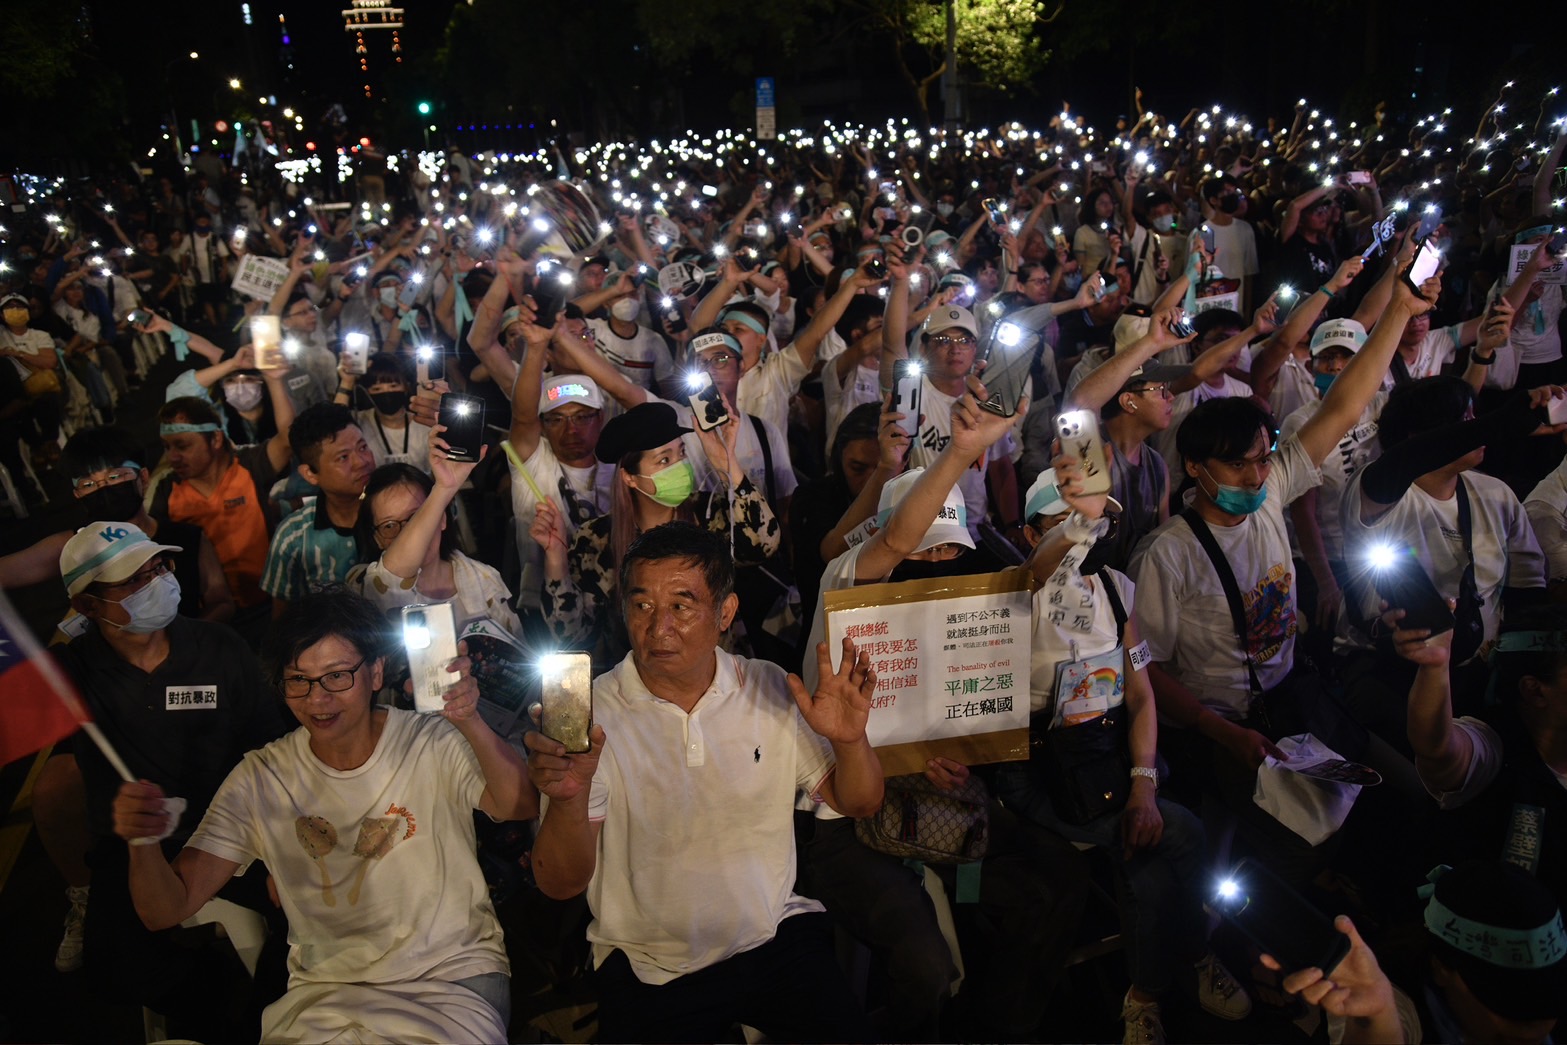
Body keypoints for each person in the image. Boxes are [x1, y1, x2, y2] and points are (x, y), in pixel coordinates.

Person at [111, 588, 535, 1043]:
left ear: (375, 673)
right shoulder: (263, 777)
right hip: (324, 995)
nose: (317, 699)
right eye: (299, 680)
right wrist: (142, 843)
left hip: (450, 981)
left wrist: (468, 719)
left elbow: (518, 804)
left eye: (336, 676)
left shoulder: (430, 740)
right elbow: (165, 910)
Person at [523, 523, 882, 1042]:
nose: (658, 627)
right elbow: (560, 883)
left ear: (726, 614)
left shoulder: (769, 687)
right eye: (641, 605)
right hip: (651, 964)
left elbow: (862, 802)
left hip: (771, 937)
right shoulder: (592, 714)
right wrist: (567, 799)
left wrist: (850, 741)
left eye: (682, 606)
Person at [991, 462, 1251, 1044]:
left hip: (1106, 757)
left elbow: (1140, 693)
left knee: (1166, 839)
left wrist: (1143, 784)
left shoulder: (1113, 587)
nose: (1083, 535)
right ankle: (1169, 972)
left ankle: (1156, 980)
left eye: (1092, 523)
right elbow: (1035, 576)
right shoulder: (1013, 592)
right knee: (1168, 846)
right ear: (1031, 533)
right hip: (1041, 768)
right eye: (1062, 524)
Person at [55, 521, 289, 1038]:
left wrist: (280, 845)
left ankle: (269, 1024)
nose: (157, 582)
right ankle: (225, 1008)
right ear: (90, 607)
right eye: (133, 581)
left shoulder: (219, 647)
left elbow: (272, 746)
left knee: (302, 919)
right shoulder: (68, 674)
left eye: (159, 566)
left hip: (234, 830)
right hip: (132, 842)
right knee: (117, 971)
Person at [531, 400, 780, 669]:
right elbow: (571, 635)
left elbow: (763, 544)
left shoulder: (709, 513)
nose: (679, 466)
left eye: (681, 453)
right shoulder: (595, 540)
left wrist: (725, 461)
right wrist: (555, 558)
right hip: (639, 688)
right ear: (630, 478)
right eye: (664, 459)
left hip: (721, 676)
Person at [1266, 862, 1566, 1045]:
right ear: (1441, 969)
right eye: (1509, 999)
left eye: (1547, 994)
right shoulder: (1404, 1001)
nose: (1534, 1026)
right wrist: (1377, 1015)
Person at [151, 381, 295, 619]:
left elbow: (288, 440)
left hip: (271, 608)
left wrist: (274, 378)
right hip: (212, 617)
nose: (172, 457)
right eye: (166, 447)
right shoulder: (166, 492)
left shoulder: (248, 465)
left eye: (182, 446)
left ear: (216, 440)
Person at [353, 435, 520, 635]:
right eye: (389, 525)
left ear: (442, 519)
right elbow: (390, 579)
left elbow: (518, 658)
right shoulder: (362, 585)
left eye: (417, 517)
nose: (408, 533)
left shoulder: (486, 580)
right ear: (376, 538)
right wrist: (444, 488)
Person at [261, 403, 376, 619]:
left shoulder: (403, 511)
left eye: (363, 447)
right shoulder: (293, 537)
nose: (362, 462)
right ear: (310, 474)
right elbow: (282, 622)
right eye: (343, 457)